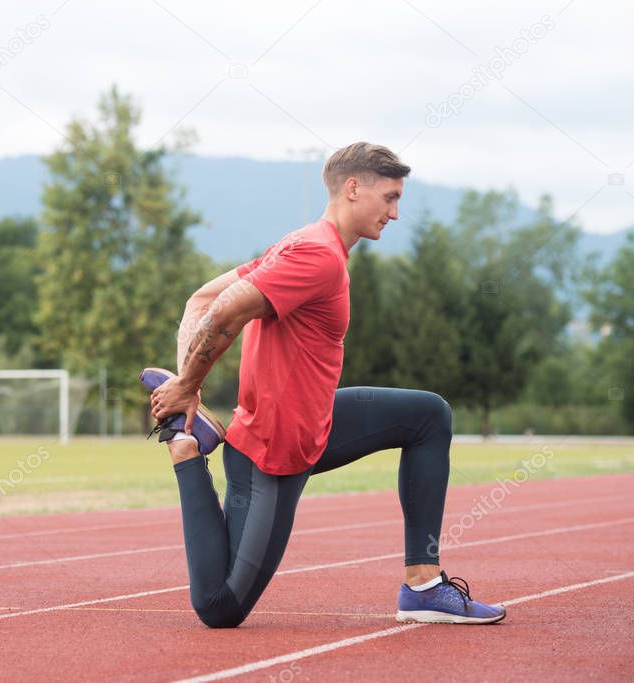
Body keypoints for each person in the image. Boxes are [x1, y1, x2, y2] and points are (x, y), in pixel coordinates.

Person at [141, 142, 506, 628]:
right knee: (220, 608)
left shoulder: (306, 242)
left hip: (315, 423)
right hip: (274, 449)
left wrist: (190, 382)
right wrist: (188, 384)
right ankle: (187, 450)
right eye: (390, 198)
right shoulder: (316, 257)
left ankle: (423, 585)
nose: (396, 213)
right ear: (353, 189)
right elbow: (222, 310)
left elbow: (201, 297)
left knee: (428, 415)